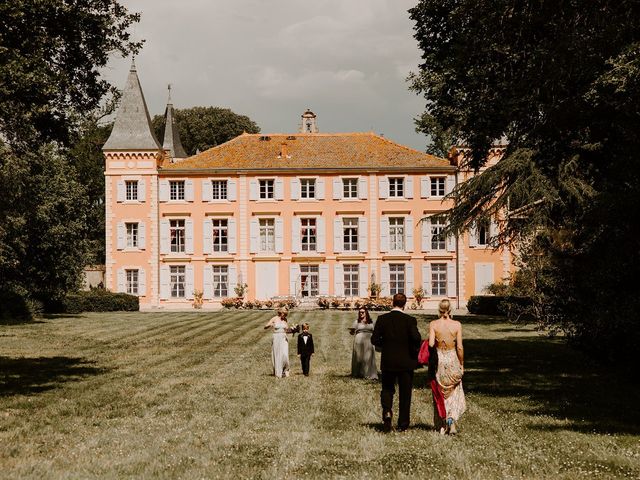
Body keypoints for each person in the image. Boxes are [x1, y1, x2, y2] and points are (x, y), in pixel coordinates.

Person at [371, 293, 422, 432]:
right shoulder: (410, 320)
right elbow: (416, 338)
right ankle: (403, 423)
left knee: (387, 389)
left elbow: (374, 340)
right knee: (405, 394)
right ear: (404, 304)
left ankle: (387, 411)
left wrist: (386, 344)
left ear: (392, 302)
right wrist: (411, 348)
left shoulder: (382, 319)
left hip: (388, 360)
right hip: (406, 362)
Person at [429, 299, 466, 434]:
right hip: (452, 357)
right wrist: (461, 364)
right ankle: (451, 419)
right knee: (454, 390)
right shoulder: (457, 325)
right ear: (450, 310)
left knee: (440, 391)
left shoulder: (434, 324)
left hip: (439, 358)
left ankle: (442, 424)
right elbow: (460, 347)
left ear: (439, 309)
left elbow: (431, 344)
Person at [349, 307, 378, 379]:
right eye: (360, 312)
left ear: (366, 313)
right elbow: (352, 333)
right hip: (358, 341)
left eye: (362, 312)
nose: (361, 314)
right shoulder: (356, 322)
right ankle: (358, 373)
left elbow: (375, 331)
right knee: (359, 356)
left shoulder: (371, 322)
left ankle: (368, 374)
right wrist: (352, 331)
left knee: (368, 357)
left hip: (369, 340)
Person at [264, 306, 291, 378]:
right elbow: (265, 326)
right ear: (280, 312)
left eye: (285, 314)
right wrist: (270, 325)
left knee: (285, 355)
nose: (284, 316)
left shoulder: (285, 319)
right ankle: (278, 372)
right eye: (284, 314)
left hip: (284, 338)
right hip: (276, 338)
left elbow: (287, 330)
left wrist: (293, 330)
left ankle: (285, 370)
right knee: (277, 355)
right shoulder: (274, 318)